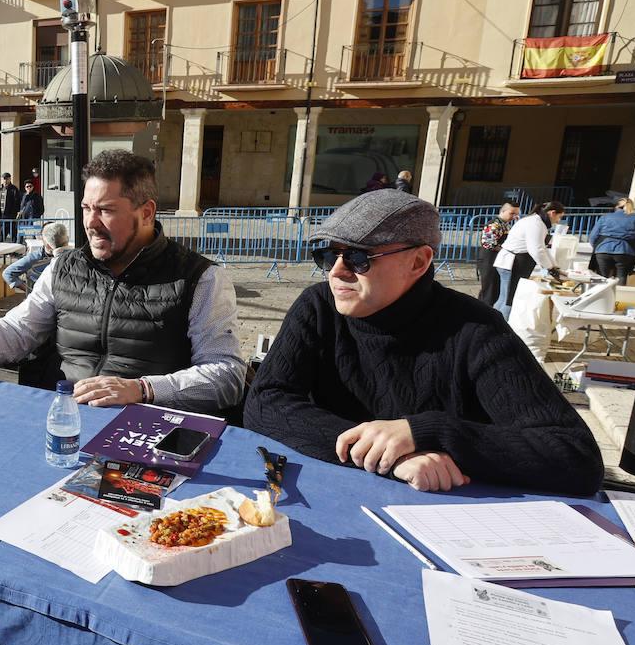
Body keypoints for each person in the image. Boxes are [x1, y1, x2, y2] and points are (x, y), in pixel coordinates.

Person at [243, 189, 600, 496]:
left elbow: (575, 455)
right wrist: (387, 454)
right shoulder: (318, 305)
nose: (336, 271)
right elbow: (265, 403)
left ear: (418, 261)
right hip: (339, 496)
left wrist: (426, 431)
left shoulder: (476, 329)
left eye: (358, 258)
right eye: (327, 255)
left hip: (442, 517)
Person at [0, 149, 246, 412]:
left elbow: (227, 376)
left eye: (105, 210)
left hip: (140, 433)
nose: (91, 223)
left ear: (147, 213)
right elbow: (15, 332)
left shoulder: (202, 280)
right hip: (58, 418)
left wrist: (143, 389)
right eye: (86, 208)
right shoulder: (63, 268)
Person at [494, 201, 565, 319]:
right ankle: (500, 328)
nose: (558, 221)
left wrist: (554, 266)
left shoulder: (537, 222)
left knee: (504, 298)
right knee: (509, 300)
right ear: (552, 213)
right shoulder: (535, 223)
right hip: (512, 263)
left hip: (513, 262)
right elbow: (536, 249)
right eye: (559, 217)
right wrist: (550, 268)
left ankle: (492, 324)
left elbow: (543, 248)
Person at [589, 198, 635, 286]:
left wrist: (597, 247)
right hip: (626, 251)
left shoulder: (605, 217)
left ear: (617, 207)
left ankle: (596, 298)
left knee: (600, 277)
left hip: (603, 249)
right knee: (621, 276)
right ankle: (618, 297)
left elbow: (593, 236)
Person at [3, 221, 69, 292]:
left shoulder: (71, 256)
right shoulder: (35, 258)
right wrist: (30, 291)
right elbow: (8, 273)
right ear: (43, 239)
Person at [476, 201, 519, 306]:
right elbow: (488, 243)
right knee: (489, 291)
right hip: (489, 260)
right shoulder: (494, 224)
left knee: (494, 289)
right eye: (512, 213)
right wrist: (506, 250)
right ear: (503, 211)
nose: (514, 216)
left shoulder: (505, 225)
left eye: (516, 214)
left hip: (497, 260)